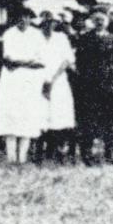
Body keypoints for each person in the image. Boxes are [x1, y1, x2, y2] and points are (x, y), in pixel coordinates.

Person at [0, 4, 47, 164]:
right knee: (10, 114)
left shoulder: (37, 35)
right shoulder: (9, 34)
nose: (23, 20)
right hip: (12, 80)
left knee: (27, 116)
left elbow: (41, 61)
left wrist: (22, 63)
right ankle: (11, 157)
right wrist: (28, 62)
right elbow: (9, 59)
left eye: (26, 17)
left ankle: (22, 157)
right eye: (20, 17)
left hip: (30, 81)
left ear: (30, 19)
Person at [73, 5, 113, 164]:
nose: (99, 22)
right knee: (89, 120)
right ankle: (87, 154)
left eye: (102, 20)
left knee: (109, 121)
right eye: (96, 20)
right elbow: (80, 61)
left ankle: (110, 153)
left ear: (107, 21)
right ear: (93, 21)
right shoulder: (85, 38)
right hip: (90, 84)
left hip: (109, 84)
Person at [38, 10, 77, 161]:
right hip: (38, 79)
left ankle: (54, 150)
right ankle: (38, 152)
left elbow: (67, 60)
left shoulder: (61, 38)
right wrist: (43, 80)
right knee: (41, 113)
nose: (49, 25)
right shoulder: (35, 38)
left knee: (58, 114)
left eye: (52, 23)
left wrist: (52, 80)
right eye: (46, 22)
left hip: (58, 80)